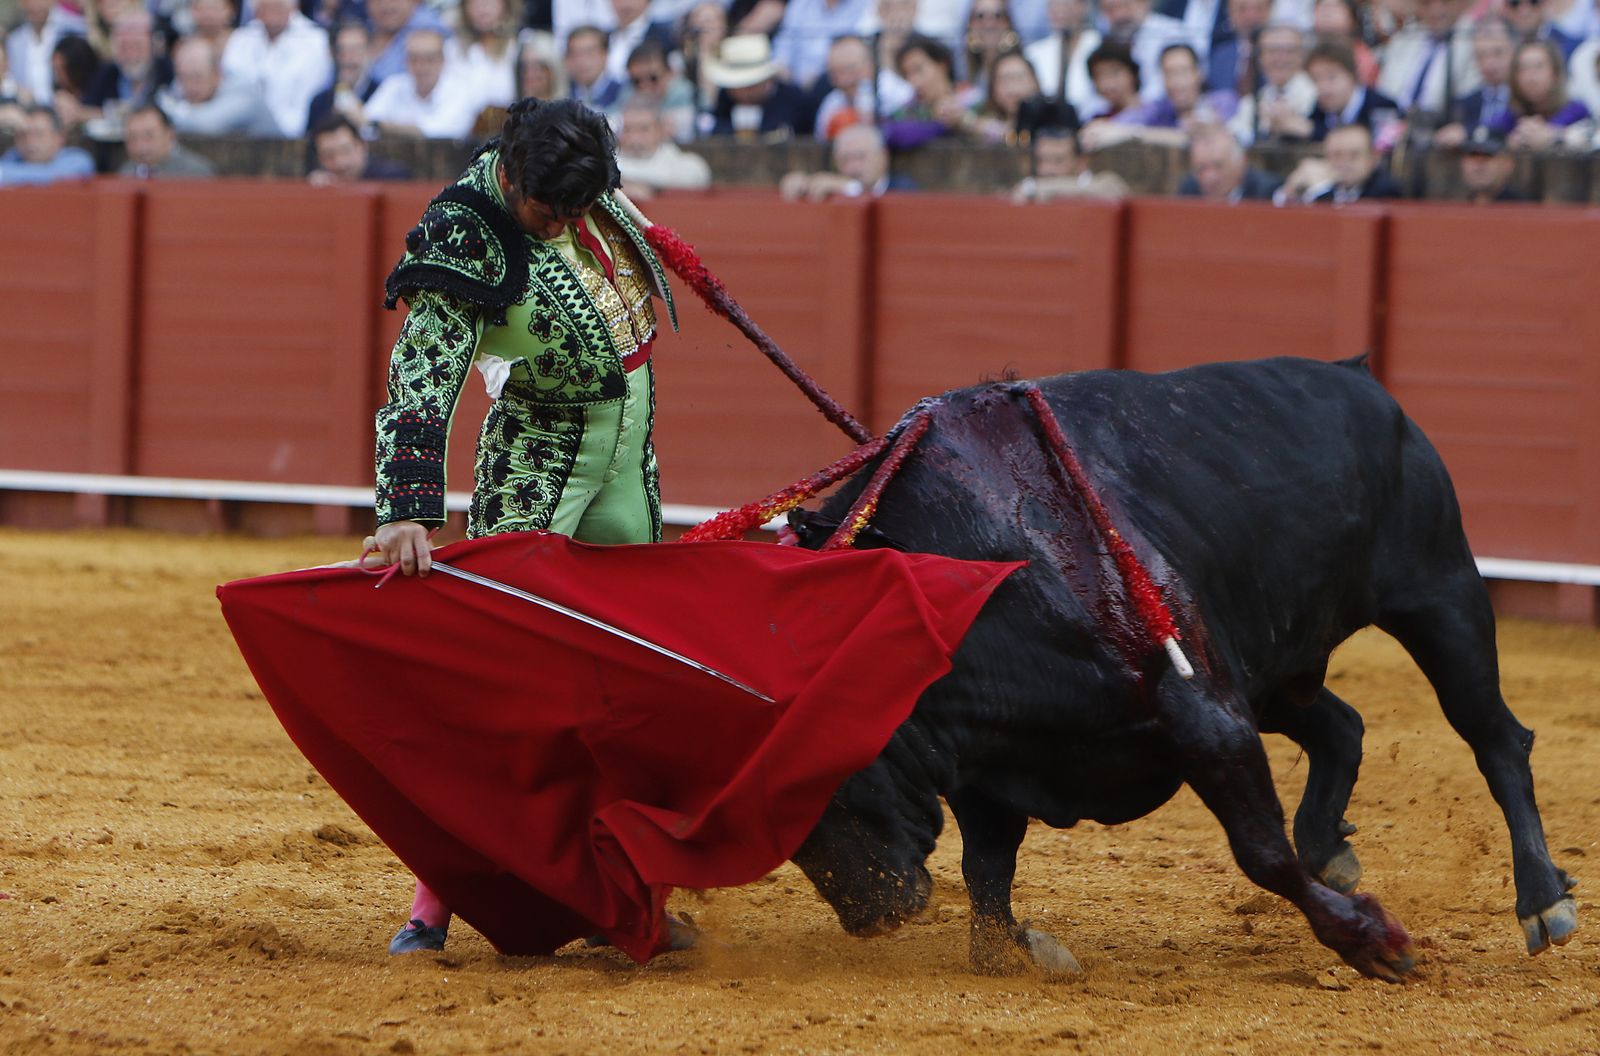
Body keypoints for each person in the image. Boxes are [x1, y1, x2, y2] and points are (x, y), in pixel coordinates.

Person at [370, 98, 685, 956]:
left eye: (582, 206)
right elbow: (423, 375)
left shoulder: (581, 182)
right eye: (553, 211)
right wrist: (406, 508)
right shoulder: (466, 229)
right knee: (500, 686)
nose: (568, 222)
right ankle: (430, 909)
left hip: (628, 453)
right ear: (512, 176)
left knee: (631, 675)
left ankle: (627, 887)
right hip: (538, 460)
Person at [219, 0, 332, 136]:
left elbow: (312, 92)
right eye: (265, 7)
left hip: (293, 129)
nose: (271, 14)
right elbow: (230, 83)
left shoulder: (315, 40)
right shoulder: (241, 38)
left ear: (293, 8)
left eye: (278, 7)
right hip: (241, 128)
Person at [364, 26, 482, 138]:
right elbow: (366, 128)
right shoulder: (393, 85)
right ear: (405, 61)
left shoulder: (462, 91)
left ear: (443, 61)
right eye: (414, 59)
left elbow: (434, 135)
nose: (421, 67)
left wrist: (381, 126)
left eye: (429, 59)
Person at [1375, 0, 1478, 126]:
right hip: (1392, 126)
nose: (1436, 10)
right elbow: (1385, 89)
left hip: (1440, 129)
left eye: (1445, 2)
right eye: (1427, 3)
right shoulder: (1404, 39)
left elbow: (1467, 101)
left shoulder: (1473, 40)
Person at [156, 36, 280, 135]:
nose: (190, 87)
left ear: (217, 74)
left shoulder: (244, 92)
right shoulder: (179, 90)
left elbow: (203, 125)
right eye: (183, 78)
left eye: (197, 78)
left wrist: (170, 108)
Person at [705, 32, 815, 138]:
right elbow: (716, 129)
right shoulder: (725, 99)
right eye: (735, 87)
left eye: (749, 86)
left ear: (766, 81)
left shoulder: (794, 100)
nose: (741, 93)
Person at [880, 35, 979, 148]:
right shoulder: (909, 109)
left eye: (918, 69)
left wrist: (966, 121)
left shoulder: (973, 99)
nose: (914, 81)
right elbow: (890, 133)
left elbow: (998, 132)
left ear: (942, 65)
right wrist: (941, 125)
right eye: (907, 74)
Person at [1432, 17, 1515, 148]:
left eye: (1497, 53)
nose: (1489, 63)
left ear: (1514, 51)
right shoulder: (1462, 105)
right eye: (1481, 55)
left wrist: (1468, 133)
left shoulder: (1528, 100)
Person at [1226, 21, 1315, 143]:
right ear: (1261, 58)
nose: (1279, 59)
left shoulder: (1316, 94)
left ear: (1301, 56)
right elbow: (1234, 135)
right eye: (1272, 52)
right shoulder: (1252, 101)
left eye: (1288, 52)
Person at [811, 33, 913, 139]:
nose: (843, 80)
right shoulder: (831, 104)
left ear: (869, 64)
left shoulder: (898, 93)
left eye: (849, 69)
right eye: (835, 73)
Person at [1097, 0, 1199, 102]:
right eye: (1110, 9)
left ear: (1144, 3)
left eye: (1125, 5)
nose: (1119, 15)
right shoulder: (1106, 41)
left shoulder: (1171, 34)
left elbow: (1168, 89)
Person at [779, 122, 910, 199]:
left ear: (883, 157)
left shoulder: (904, 189)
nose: (853, 167)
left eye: (861, 157)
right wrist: (803, 186)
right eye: (845, 159)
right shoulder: (832, 188)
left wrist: (850, 188)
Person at [1301, 38, 1399, 141]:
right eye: (1315, 79)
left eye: (1331, 77)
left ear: (1352, 75)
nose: (1323, 87)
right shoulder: (1319, 111)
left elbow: (1382, 147)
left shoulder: (1382, 107)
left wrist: (1313, 131)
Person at [1501, 38, 1591, 150]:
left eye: (1538, 67)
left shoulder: (1577, 111)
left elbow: (1590, 140)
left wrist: (1554, 138)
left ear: (1555, 74)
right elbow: (1486, 134)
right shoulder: (1511, 115)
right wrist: (1506, 144)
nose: (1530, 77)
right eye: (1523, 69)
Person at [1284, 121, 1402, 203]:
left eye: (1354, 155)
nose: (1344, 162)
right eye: (1337, 155)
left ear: (1373, 158)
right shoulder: (1327, 192)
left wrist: (1318, 189)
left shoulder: (1386, 191)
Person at [615, 97, 710, 195]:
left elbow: (695, 176)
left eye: (643, 129)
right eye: (627, 130)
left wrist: (638, 187)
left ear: (660, 130)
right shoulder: (608, 163)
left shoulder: (684, 164)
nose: (634, 138)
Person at [1009, 123, 1130, 200]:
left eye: (1058, 161)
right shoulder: (1029, 185)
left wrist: (1038, 188)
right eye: (1041, 160)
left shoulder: (1104, 183)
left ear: (1082, 162)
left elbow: (1112, 191)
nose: (1047, 169)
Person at [1023, 0, 1103, 114]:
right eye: (1054, 5)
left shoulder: (1099, 46)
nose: (1059, 10)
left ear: (1083, 7)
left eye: (1066, 4)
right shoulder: (1033, 52)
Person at [7, 0, 85, 106]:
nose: (35, 5)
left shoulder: (75, 29)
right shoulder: (14, 41)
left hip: (67, 107)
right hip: (26, 110)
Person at [616, 39, 696, 142]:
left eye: (653, 78)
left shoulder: (683, 92)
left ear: (670, 73)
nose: (644, 85)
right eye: (636, 80)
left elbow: (684, 131)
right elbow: (612, 118)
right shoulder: (629, 91)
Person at [1176, 119, 1279, 199]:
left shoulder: (1266, 193)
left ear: (1240, 164)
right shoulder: (1189, 192)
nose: (1210, 177)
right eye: (1201, 169)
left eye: (1218, 166)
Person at [0, 102, 94, 183]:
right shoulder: (13, 156)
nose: (30, 141)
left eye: (39, 134)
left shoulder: (78, 160)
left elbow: (52, 175)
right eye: (23, 135)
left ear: (58, 138)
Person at [117, 101, 215, 177]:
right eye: (133, 138)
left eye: (149, 137)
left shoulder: (195, 173)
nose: (141, 146)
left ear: (170, 134)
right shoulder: (126, 173)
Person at [307, 112, 412, 182]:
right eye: (329, 155)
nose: (340, 162)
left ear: (362, 145)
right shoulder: (321, 182)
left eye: (345, 151)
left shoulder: (391, 177)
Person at [1456, 125, 1529, 203]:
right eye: (1473, 155)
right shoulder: (1450, 204)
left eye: (1488, 155)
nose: (1479, 163)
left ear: (1508, 164)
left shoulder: (1525, 207)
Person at [563, 24, 623, 110]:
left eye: (589, 53)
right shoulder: (562, 96)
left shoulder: (623, 94)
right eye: (575, 54)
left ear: (605, 54)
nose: (581, 61)